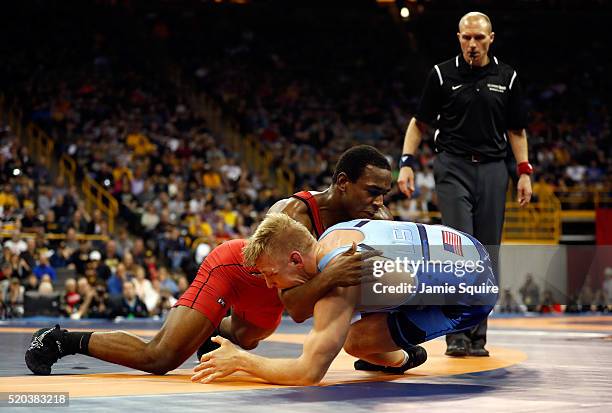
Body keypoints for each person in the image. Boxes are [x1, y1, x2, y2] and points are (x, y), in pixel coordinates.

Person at [24, 145, 391, 376]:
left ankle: (212, 329)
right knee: (161, 358)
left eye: (383, 194)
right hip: (236, 272)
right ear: (343, 182)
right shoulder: (294, 212)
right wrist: (332, 276)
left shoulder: (367, 219)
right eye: (373, 192)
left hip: (271, 299)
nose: (379, 202)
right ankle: (61, 340)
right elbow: (295, 306)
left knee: (247, 338)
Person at [191, 213, 498, 385]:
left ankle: (402, 354)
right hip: (464, 245)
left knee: (353, 342)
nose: (271, 286)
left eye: (271, 275)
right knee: (360, 323)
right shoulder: (335, 234)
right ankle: (404, 353)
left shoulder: (341, 280)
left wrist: (241, 359)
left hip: (470, 293)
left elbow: (307, 373)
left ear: (296, 259)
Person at [396, 12, 532, 357]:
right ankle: (454, 334)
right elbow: (418, 124)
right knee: (459, 249)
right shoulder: (442, 74)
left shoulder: (508, 77)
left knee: (488, 253)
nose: (473, 44)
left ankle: (477, 336)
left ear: (491, 39)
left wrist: (524, 172)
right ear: (459, 38)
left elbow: (516, 130)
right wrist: (406, 164)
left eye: (479, 38)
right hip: (453, 167)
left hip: (493, 169)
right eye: (467, 38)